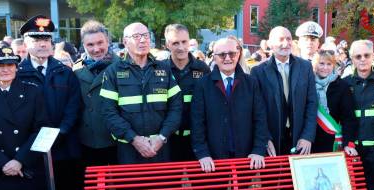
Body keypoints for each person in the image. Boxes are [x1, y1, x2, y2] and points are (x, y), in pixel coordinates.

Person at [16, 15, 81, 190]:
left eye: (46, 39)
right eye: (36, 38)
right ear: (26, 42)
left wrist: (59, 134)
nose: (42, 43)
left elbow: (74, 108)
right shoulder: (17, 73)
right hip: (31, 153)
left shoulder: (65, 73)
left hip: (62, 151)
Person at [100, 22, 182, 164]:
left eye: (145, 35)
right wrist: (134, 139)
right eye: (137, 36)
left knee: (164, 186)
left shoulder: (164, 69)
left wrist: (162, 137)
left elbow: (176, 107)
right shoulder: (113, 72)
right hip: (129, 150)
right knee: (132, 187)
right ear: (125, 41)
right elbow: (108, 112)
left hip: (161, 149)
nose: (143, 40)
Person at [0, 47, 49, 190]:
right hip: (0, 175)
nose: (5, 69)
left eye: (9, 65)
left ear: (17, 67)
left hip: (28, 171)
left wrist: (20, 160)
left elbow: (42, 129)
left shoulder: (32, 91)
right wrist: (2, 163)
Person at [191, 37, 268, 172]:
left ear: (238, 55)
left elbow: (260, 119)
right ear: (214, 57)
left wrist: (258, 150)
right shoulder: (202, 85)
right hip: (213, 160)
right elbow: (197, 123)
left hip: (245, 158)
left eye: (232, 53)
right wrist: (202, 153)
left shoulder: (251, 83)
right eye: (222, 55)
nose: (227, 58)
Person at [251, 26, 317, 156]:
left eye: (289, 39)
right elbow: (257, 110)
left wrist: (307, 136)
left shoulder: (305, 67)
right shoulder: (258, 72)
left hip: (300, 139)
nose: (286, 43)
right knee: (273, 176)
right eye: (281, 39)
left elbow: (312, 103)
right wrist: (266, 138)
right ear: (270, 44)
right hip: (272, 140)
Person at [73, 20, 118, 190]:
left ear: (107, 41)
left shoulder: (122, 66)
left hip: (115, 138)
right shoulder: (76, 70)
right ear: (83, 46)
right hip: (88, 140)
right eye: (90, 44)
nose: (96, 48)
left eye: (100, 43)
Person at [343, 40, 374, 190]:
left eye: (366, 55)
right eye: (358, 56)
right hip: (353, 146)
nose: (362, 60)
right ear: (352, 59)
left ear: (372, 56)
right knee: (353, 183)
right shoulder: (345, 83)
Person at [163, 24, 210, 162]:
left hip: (197, 139)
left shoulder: (203, 69)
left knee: (199, 183)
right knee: (170, 183)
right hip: (168, 140)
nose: (181, 47)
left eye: (184, 42)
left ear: (189, 41)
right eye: (175, 43)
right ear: (167, 45)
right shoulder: (160, 69)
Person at [311, 50, 357, 155]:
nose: (325, 67)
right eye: (321, 63)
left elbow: (348, 118)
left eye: (329, 64)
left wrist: (348, 143)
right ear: (315, 65)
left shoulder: (342, 86)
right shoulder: (308, 84)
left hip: (332, 141)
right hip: (311, 141)